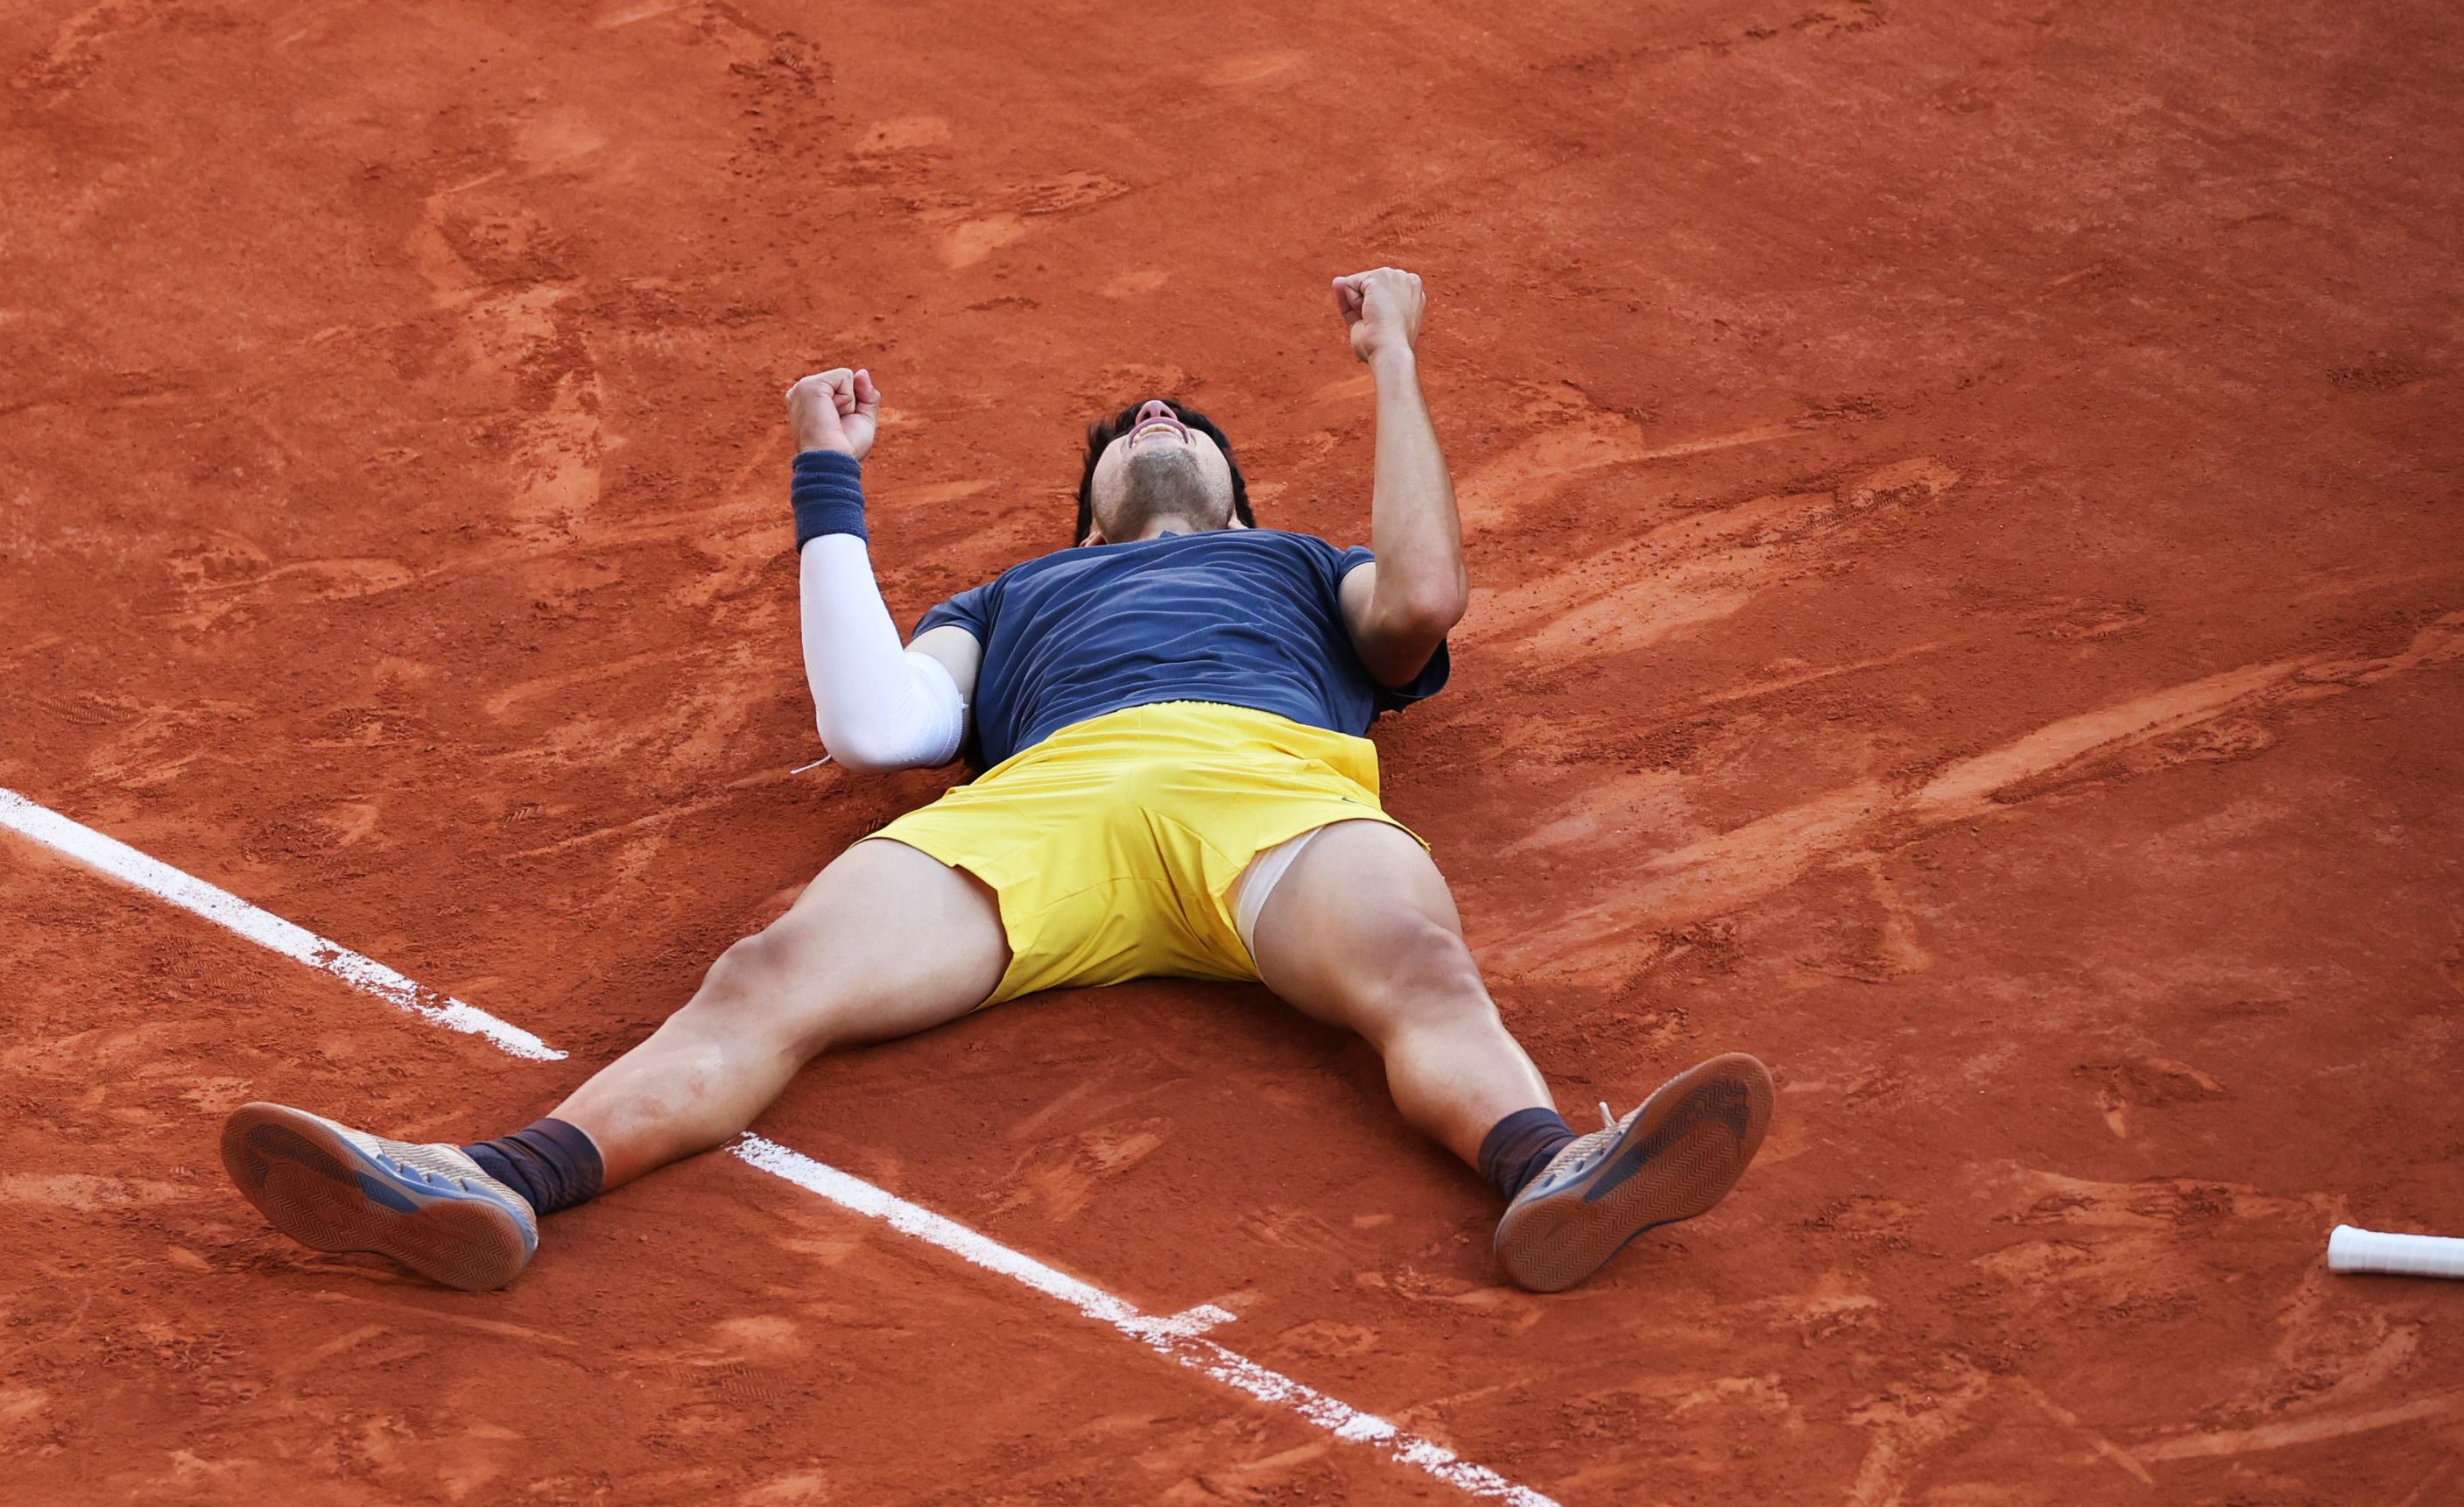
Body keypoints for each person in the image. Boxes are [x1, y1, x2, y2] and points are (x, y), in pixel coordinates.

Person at [219, 268, 1771, 1296]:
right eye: (1126, 431)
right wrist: (827, 477)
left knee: (1423, 967)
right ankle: (486, 1184)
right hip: (1041, 818)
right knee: (767, 975)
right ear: (1087, 518)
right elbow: (878, 732)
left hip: (1273, 790)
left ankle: (1549, 1166)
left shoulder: (1307, 568)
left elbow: (1428, 599)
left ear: (1239, 491)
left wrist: (1397, 359)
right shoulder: (1013, 597)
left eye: (1188, 425)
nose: (1156, 419)